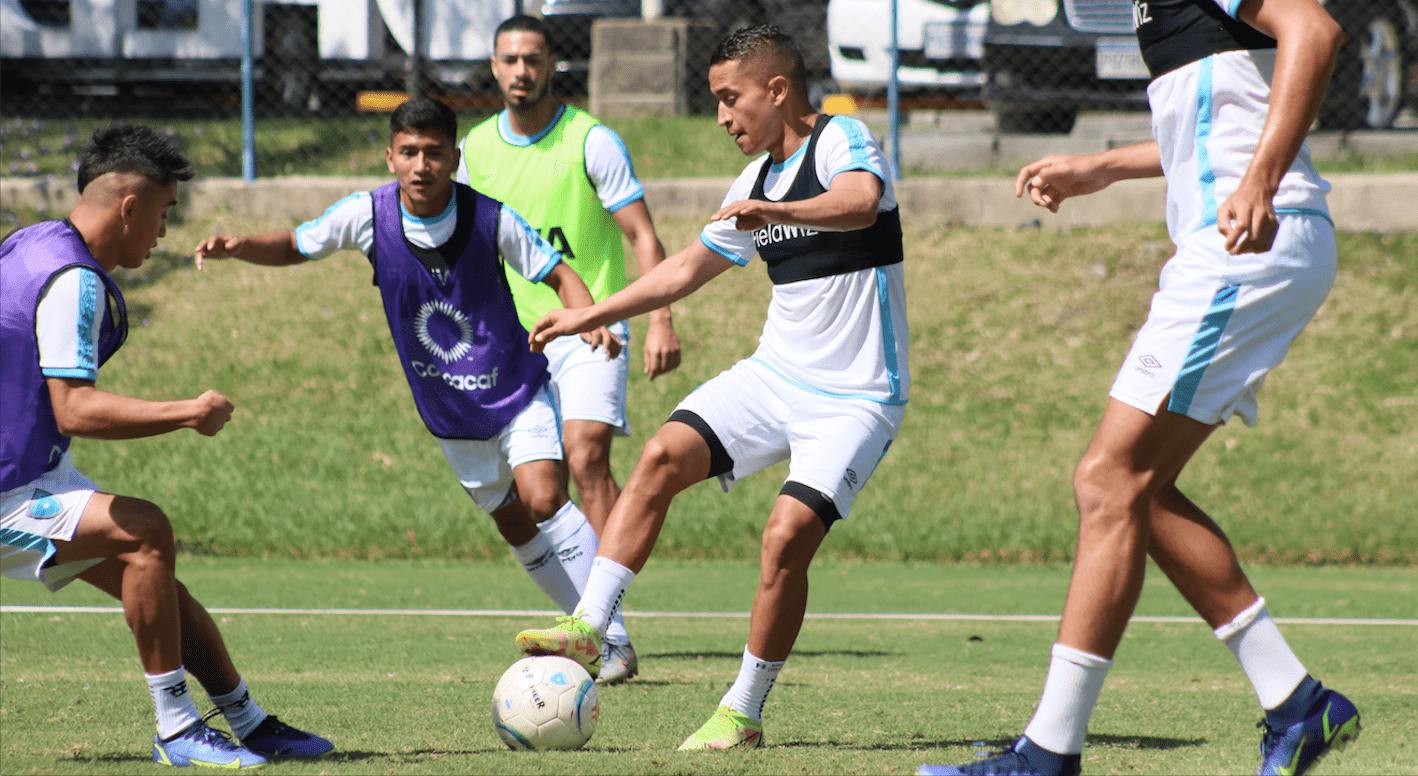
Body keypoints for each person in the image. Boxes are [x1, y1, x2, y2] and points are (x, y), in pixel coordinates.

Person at [917, 1, 1358, 774]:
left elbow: (1315, 32)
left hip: (1247, 242)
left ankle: (1049, 754)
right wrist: (1103, 166)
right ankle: (1296, 702)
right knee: (1137, 492)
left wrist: (1261, 179)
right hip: (1242, 241)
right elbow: (1222, 116)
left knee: (1107, 479)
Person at [513, 25, 909, 750]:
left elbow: (860, 201)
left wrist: (778, 213)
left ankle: (742, 711)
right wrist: (587, 314)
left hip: (858, 396)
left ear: (777, 90)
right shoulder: (751, 184)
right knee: (662, 454)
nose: (722, 118)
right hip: (776, 375)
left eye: (731, 100)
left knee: (786, 537)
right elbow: (685, 270)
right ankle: (589, 628)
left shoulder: (840, 141)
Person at [192, 99, 638, 682]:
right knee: (511, 521)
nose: (421, 164)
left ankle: (610, 637)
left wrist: (590, 317)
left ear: (454, 157)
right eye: (408, 152)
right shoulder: (366, 215)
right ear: (390, 156)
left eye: (433, 152)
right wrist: (240, 246)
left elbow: (558, 273)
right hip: (448, 406)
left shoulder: (491, 217)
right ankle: (592, 631)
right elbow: (299, 244)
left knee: (544, 497)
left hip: (514, 386)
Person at [0, 122, 333, 769]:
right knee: (147, 531)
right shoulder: (73, 279)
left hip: (29, 471)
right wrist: (190, 412)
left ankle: (246, 719)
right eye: (164, 212)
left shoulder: (31, 242)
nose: (162, 231)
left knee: (149, 573)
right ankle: (178, 729)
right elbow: (76, 408)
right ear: (130, 205)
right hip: (8, 493)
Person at [456, 14, 682, 683]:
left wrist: (660, 317)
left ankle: (602, 620)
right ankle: (596, 615)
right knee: (537, 493)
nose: (520, 71)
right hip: (514, 340)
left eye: (532, 58)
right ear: (493, 68)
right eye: (508, 60)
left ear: (553, 64)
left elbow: (642, 236)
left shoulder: (592, 140)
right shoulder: (473, 151)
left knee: (588, 456)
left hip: (594, 323)